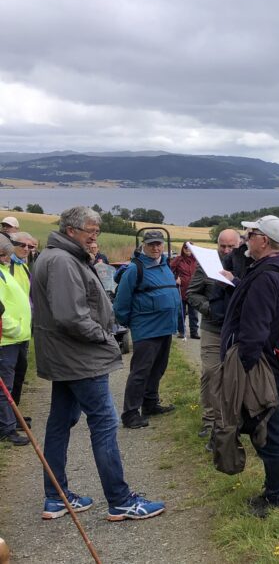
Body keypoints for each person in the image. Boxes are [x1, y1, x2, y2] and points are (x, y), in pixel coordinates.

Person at [32, 206, 165, 521]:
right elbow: (70, 316)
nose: (95, 238)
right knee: (104, 424)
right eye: (90, 232)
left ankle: (56, 497)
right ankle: (120, 500)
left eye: (96, 232)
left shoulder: (57, 257)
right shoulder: (63, 261)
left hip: (66, 356)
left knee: (60, 422)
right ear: (71, 231)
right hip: (79, 358)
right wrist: (105, 338)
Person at [219, 214, 279, 516]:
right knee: (265, 425)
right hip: (265, 361)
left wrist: (244, 364)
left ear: (264, 240)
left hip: (259, 364)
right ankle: (275, 490)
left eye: (251, 234)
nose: (246, 239)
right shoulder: (270, 270)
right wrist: (237, 282)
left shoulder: (267, 275)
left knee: (269, 429)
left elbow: (256, 328)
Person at [114, 229, 182, 430]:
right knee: (140, 372)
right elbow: (121, 302)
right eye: (151, 244)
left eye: (158, 244)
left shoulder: (164, 265)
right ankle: (130, 413)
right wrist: (131, 323)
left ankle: (150, 404)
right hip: (146, 329)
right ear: (143, 245)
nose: (155, 247)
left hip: (164, 328)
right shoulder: (135, 269)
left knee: (158, 368)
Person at [187, 228, 242, 437]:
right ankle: (209, 420)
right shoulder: (207, 265)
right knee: (211, 373)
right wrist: (210, 309)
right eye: (223, 246)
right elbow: (192, 293)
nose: (226, 250)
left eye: (231, 246)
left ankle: (228, 421)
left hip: (236, 330)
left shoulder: (245, 265)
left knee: (233, 377)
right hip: (213, 328)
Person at [0, 237, 31, 445]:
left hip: (18, 338)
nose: (8, 257)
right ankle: (6, 428)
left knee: (14, 382)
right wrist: (16, 328)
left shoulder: (4, 271)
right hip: (7, 339)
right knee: (5, 387)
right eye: (4, 254)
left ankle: (12, 419)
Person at [6, 233, 33, 408]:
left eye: (29, 247)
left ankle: (14, 417)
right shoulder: (7, 268)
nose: (26, 249)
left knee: (19, 375)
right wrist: (12, 327)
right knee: (8, 378)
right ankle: (6, 422)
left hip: (23, 332)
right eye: (21, 245)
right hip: (9, 332)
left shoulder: (23, 267)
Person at [169, 242, 200, 339]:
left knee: (194, 314)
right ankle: (182, 331)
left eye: (190, 248)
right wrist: (174, 279)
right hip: (180, 290)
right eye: (185, 248)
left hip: (194, 291)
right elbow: (168, 270)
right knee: (180, 313)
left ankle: (194, 332)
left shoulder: (197, 260)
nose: (187, 249)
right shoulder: (178, 260)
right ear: (182, 249)